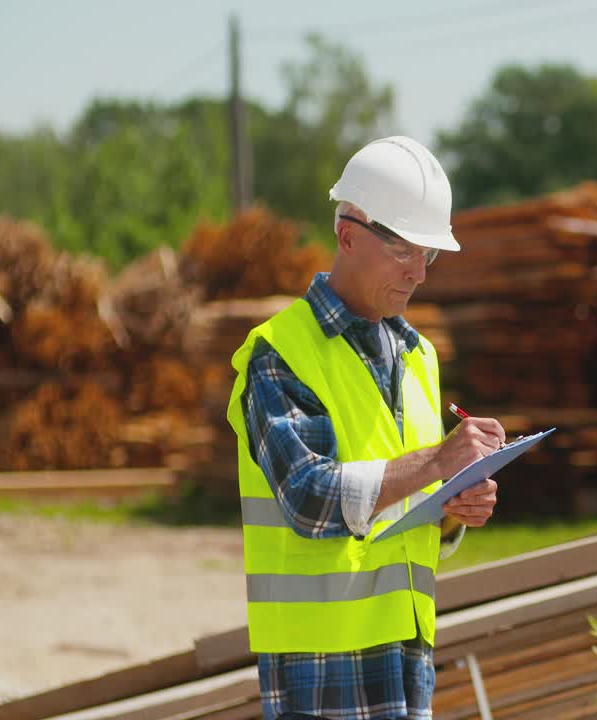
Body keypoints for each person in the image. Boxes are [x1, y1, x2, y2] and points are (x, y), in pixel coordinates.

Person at [226, 136, 505, 720]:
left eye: (428, 255)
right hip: (321, 664)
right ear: (348, 234)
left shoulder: (419, 357)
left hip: (407, 655)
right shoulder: (279, 354)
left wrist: (456, 508)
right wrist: (437, 463)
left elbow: (404, 510)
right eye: (405, 251)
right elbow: (307, 497)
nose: (419, 274)